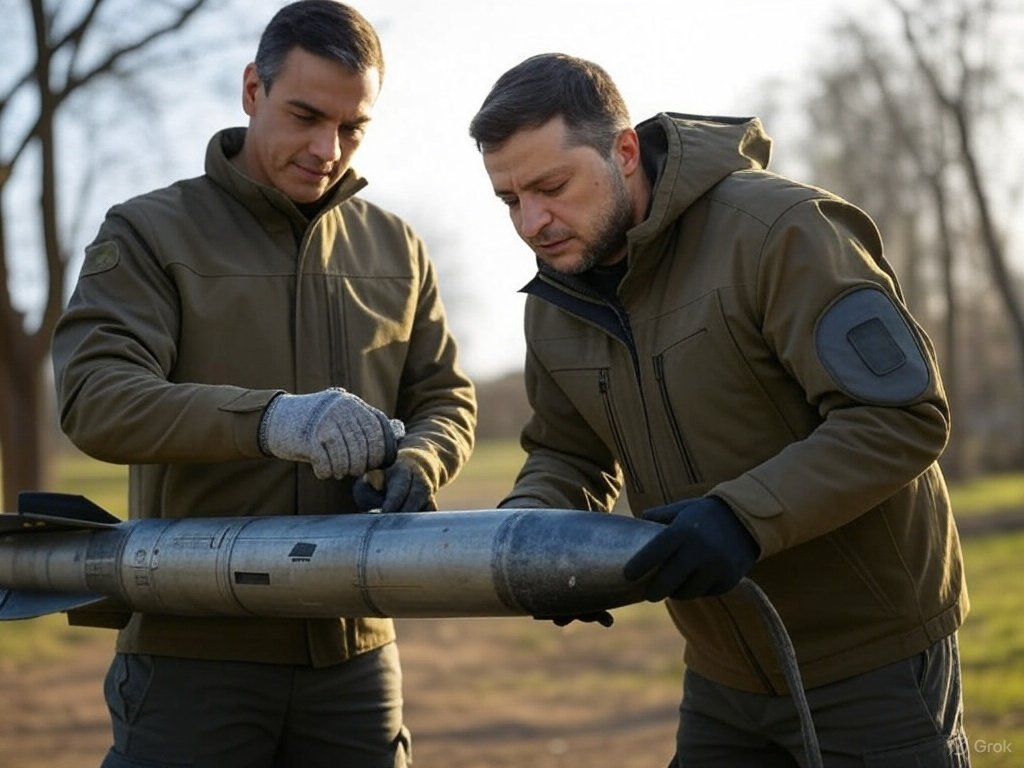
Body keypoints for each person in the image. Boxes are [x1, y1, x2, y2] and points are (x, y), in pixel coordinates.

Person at [468, 53, 969, 767]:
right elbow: (566, 454)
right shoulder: (557, 300)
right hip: (723, 673)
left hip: (873, 663)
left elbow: (901, 416)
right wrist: (537, 542)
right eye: (510, 200)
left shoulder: (781, 230)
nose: (532, 223)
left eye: (551, 186)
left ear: (625, 149)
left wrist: (741, 517)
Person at [51, 2, 476, 766]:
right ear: (253, 90)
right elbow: (95, 400)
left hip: (356, 659)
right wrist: (272, 420)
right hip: (193, 655)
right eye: (305, 115)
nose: (327, 149)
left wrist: (422, 460)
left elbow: (445, 398)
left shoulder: (397, 246)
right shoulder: (148, 232)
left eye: (353, 128)